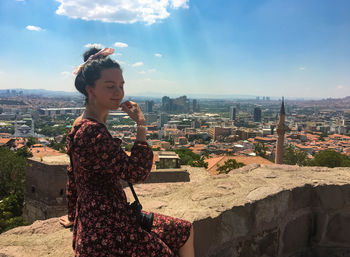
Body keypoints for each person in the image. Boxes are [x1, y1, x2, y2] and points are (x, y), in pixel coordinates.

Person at [58, 47, 195, 257]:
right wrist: (141, 126)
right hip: (108, 230)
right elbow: (136, 173)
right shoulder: (92, 132)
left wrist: (73, 216)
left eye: (121, 85)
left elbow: (73, 174)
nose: (119, 93)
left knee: (184, 229)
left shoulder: (81, 123)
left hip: (99, 221)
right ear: (90, 90)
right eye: (110, 86)